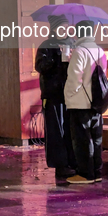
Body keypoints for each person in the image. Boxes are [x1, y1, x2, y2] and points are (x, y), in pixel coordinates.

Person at [64, 20, 107, 185]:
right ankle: (96, 171)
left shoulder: (80, 51)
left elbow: (75, 79)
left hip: (80, 102)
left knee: (82, 139)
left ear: (78, 33)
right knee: (96, 138)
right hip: (97, 102)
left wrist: (69, 96)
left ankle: (85, 173)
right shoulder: (100, 50)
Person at [35, 14, 76, 182]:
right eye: (61, 27)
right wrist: (57, 59)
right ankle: (60, 165)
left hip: (70, 93)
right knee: (55, 131)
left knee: (70, 129)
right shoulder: (46, 45)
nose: (64, 30)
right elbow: (40, 66)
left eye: (66, 26)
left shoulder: (72, 42)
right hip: (53, 94)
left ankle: (72, 162)